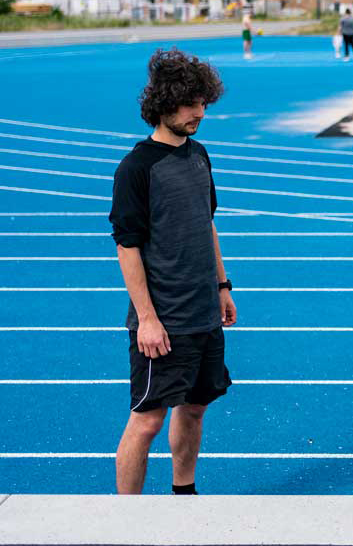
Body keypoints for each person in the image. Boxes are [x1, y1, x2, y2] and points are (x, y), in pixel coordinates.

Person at [110, 47, 237, 495]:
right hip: (164, 320)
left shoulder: (199, 154)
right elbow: (127, 247)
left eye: (203, 102)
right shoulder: (137, 168)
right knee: (146, 421)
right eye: (190, 103)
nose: (200, 112)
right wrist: (146, 318)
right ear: (164, 103)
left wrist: (222, 285)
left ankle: (185, 496)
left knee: (196, 408)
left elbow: (208, 224)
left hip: (204, 311)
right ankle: (127, 521)